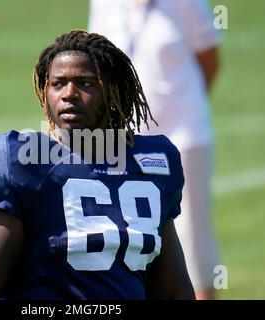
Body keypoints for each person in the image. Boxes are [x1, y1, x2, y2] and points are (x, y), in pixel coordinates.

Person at [0, 30, 195, 300]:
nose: (69, 94)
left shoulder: (153, 162)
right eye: (58, 84)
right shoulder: (13, 161)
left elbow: (174, 290)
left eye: (85, 83)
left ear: (113, 90)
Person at [88, 0, 221, 299]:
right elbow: (95, 59)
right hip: (127, 138)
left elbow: (209, 59)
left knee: (190, 229)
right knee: (131, 225)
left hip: (183, 132)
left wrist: (188, 108)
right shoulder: (104, 3)